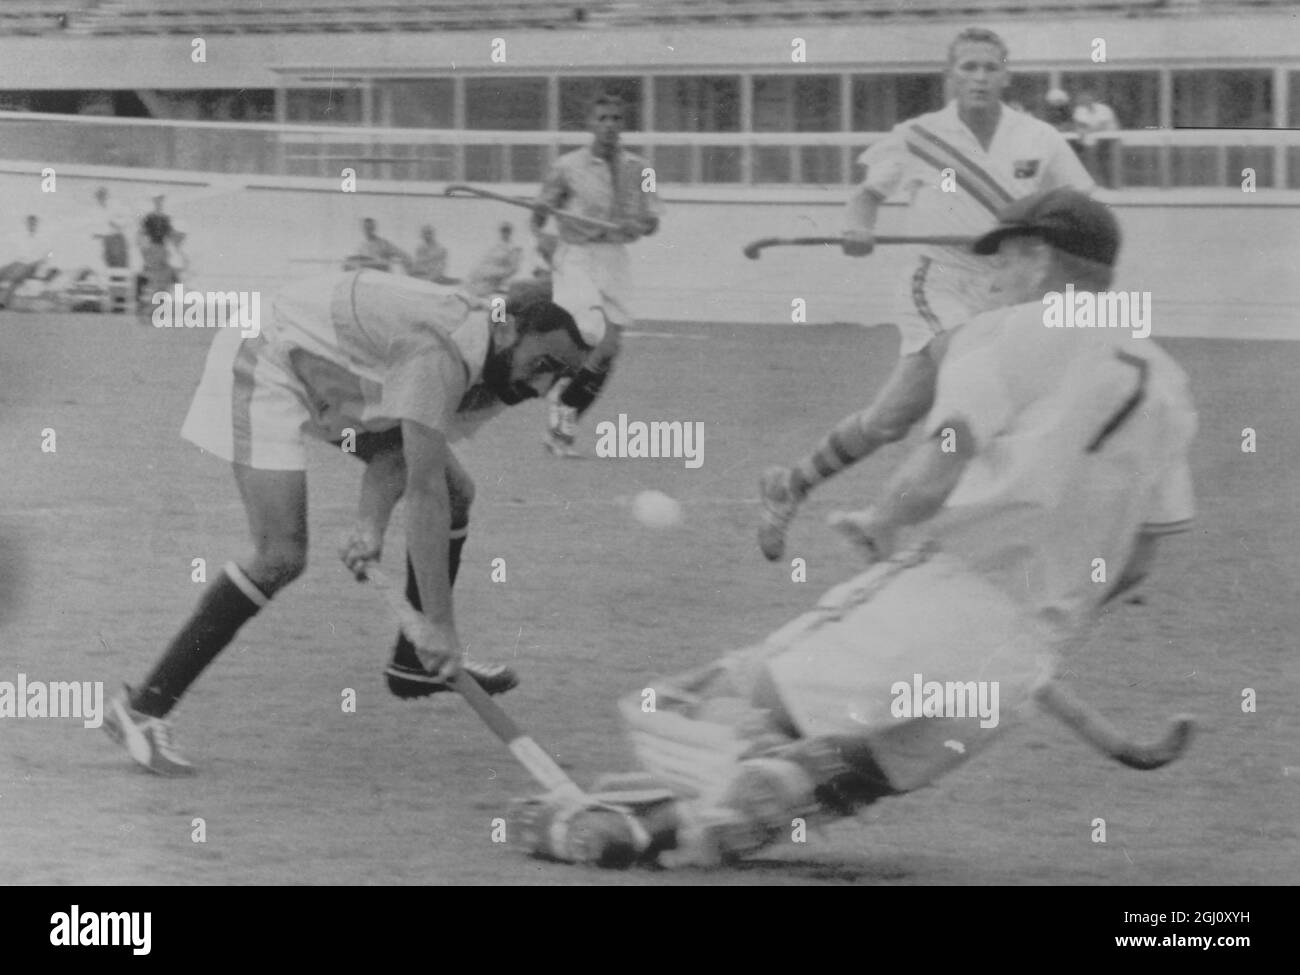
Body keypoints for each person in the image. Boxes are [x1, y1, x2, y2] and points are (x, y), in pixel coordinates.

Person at [511, 189, 1198, 868]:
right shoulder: (1168, 387)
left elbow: (951, 446)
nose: (993, 276)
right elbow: (1138, 560)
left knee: (686, 702)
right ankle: (688, 821)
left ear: (1039, 257)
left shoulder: (999, 334)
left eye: (1003, 260)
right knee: (829, 774)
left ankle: (644, 815)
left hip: (944, 599)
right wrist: (1045, 616)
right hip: (1021, 669)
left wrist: (886, 516)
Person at [102, 270, 591, 775]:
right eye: (545, 364)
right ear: (508, 327)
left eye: (560, 376)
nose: (541, 386)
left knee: (457, 491)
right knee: (280, 556)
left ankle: (413, 663)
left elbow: (401, 450)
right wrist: (441, 626)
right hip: (268, 353)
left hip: (333, 376)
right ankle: (142, 709)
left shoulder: (494, 371)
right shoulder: (443, 355)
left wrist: (369, 527)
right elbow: (422, 491)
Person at [756, 27, 1095, 561]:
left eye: (989, 68)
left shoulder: (1039, 140)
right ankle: (903, 522)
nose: (979, 78)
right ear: (950, 76)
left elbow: (1082, 208)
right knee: (976, 378)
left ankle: (791, 484)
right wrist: (858, 228)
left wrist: (1053, 241)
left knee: (889, 420)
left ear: (1006, 76)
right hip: (938, 282)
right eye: (968, 67)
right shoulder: (918, 136)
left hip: (1007, 292)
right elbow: (866, 197)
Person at [531, 92, 662, 458]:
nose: (609, 125)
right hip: (577, 257)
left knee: (610, 351)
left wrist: (642, 222)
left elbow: (653, 217)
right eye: (602, 117)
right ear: (590, 123)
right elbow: (540, 213)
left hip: (614, 259)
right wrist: (542, 236)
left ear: (624, 124)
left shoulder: (642, 169)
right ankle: (561, 391)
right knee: (592, 337)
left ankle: (564, 415)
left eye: (616, 118)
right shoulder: (567, 167)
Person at [0, 215, 53, 308]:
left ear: (36, 224)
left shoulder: (43, 238)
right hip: (19, 263)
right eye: (29, 223)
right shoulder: (23, 237)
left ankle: (4, 303)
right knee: (3, 272)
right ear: (26, 224)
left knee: (17, 277)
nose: (31, 225)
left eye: (33, 223)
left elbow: (50, 253)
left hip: (33, 266)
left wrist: (42, 261)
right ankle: (4, 302)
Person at [463, 222, 523, 297]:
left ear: (510, 232)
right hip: (484, 277)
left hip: (497, 281)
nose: (504, 233)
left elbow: (513, 269)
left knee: (483, 294)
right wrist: (478, 272)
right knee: (467, 286)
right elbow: (485, 261)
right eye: (503, 230)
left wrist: (493, 273)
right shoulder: (496, 247)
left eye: (507, 230)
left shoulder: (514, 249)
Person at [345, 217, 412, 274]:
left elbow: (403, 254)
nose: (368, 230)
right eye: (366, 228)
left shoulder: (383, 244)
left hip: (381, 276)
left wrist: (406, 265)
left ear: (374, 229)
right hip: (367, 278)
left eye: (370, 228)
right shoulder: (360, 247)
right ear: (363, 229)